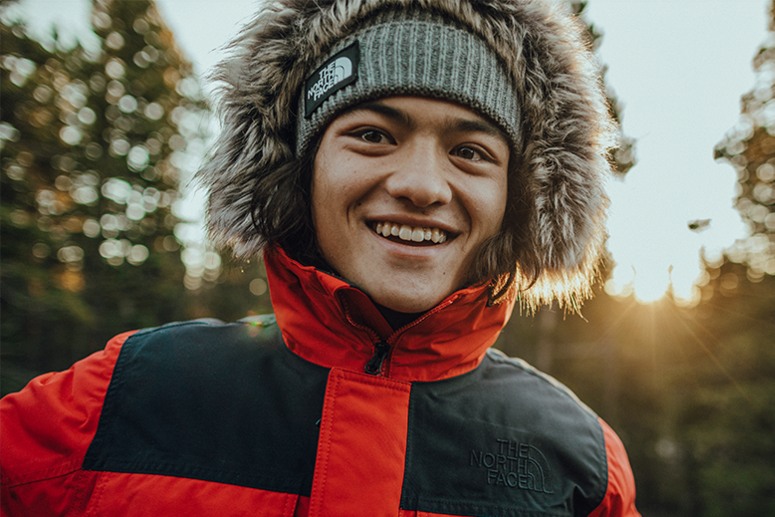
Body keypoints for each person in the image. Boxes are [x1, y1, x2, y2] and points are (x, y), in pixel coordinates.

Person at [0, 0, 641, 515]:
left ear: (518, 199)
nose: (422, 185)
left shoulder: (581, 464)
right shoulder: (121, 397)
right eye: (372, 135)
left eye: (471, 151)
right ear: (299, 171)